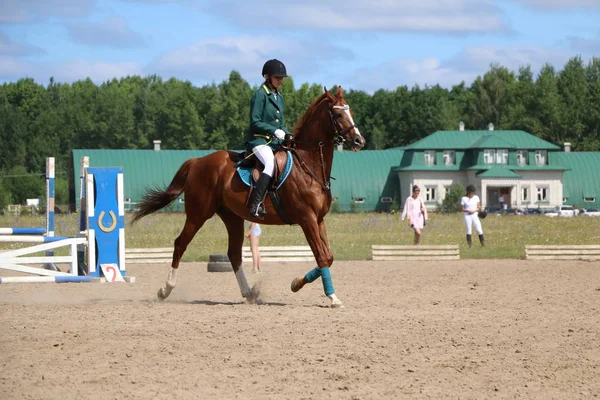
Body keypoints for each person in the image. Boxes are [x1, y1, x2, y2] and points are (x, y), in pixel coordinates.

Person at [246, 59, 292, 218]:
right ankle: (256, 204)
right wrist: (274, 131)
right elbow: (255, 122)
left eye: (282, 77)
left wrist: (287, 134)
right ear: (268, 76)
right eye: (277, 77)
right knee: (270, 164)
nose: (281, 80)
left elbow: (282, 123)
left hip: (275, 142)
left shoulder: (280, 97)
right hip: (259, 141)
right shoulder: (260, 94)